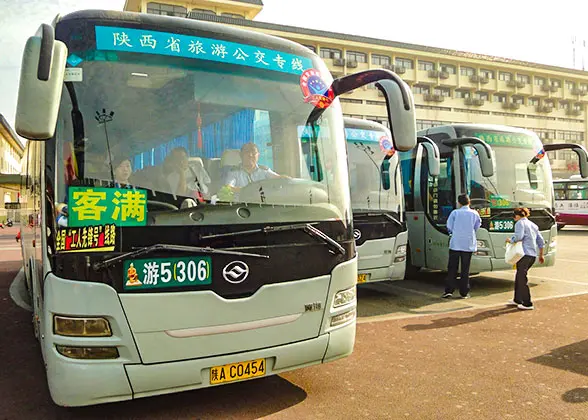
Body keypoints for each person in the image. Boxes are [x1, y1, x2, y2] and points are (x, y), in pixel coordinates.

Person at [442, 193, 481, 299]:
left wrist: (453, 233)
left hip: (455, 243)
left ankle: (449, 290)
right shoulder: (474, 214)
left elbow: (449, 226)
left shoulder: (455, 213)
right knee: (465, 269)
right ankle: (464, 292)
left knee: (452, 268)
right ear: (469, 202)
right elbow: (477, 226)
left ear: (459, 203)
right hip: (468, 244)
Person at [506, 207, 545, 310]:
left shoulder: (520, 223)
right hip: (532, 255)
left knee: (522, 278)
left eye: (514, 216)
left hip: (523, 254)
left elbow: (518, 236)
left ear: (517, 216)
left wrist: (510, 240)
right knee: (520, 276)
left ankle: (527, 303)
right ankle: (517, 299)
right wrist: (541, 255)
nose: (514, 218)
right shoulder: (533, 225)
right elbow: (541, 241)